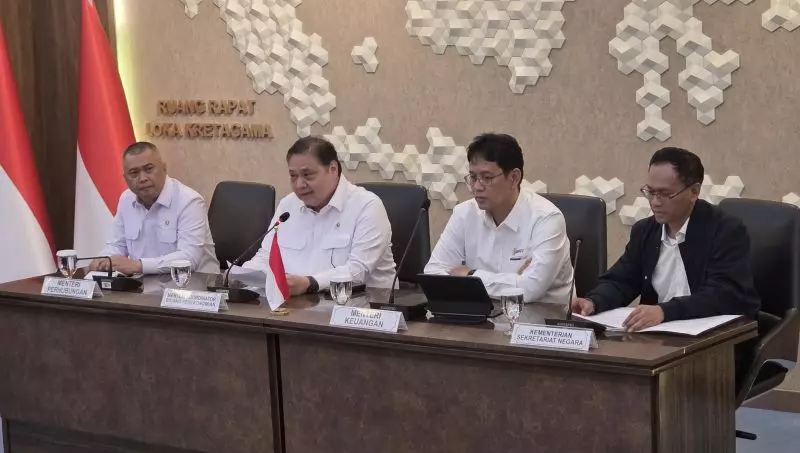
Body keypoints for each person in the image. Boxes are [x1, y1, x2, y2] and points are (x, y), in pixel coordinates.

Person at [572, 147, 759, 329]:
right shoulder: (645, 231)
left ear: (694, 192)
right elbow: (621, 280)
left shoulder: (725, 230)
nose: (655, 202)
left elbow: (723, 294)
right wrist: (594, 301)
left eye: (665, 194)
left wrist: (665, 311)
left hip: (719, 336)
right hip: (660, 336)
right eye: (651, 192)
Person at [424, 133, 573, 303]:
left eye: (487, 178)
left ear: (514, 178)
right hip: (483, 314)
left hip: (541, 317)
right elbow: (433, 273)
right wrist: (513, 281)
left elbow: (529, 289)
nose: (476, 187)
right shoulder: (464, 213)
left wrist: (471, 276)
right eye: (473, 177)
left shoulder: (546, 219)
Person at [238, 136, 395, 294]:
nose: (299, 184)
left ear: (333, 169)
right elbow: (267, 256)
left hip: (360, 304)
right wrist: (240, 277)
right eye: (293, 176)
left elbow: (359, 270)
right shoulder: (288, 205)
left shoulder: (366, 206)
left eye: (307, 175)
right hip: (296, 303)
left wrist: (310, 283)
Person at [88, 141, 219, 275]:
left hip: (195, 284)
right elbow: (117, 245)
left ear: (164, 168)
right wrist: (104, 260)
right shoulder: (126, 199)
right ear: (125, 178)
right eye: (134, 173)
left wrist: (139, 266)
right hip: (142, 284)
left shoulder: (189, 201)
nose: (142, 178)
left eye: (149, 169)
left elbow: (189, 258)